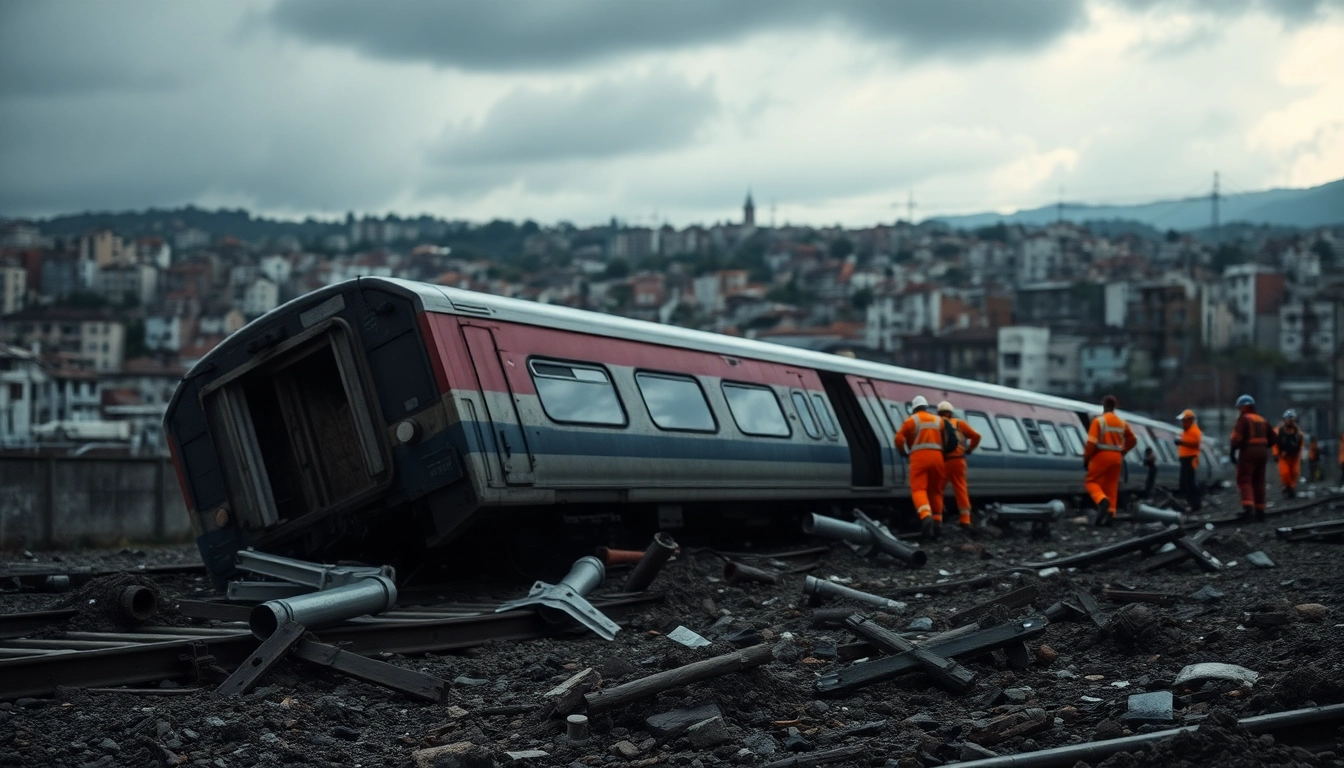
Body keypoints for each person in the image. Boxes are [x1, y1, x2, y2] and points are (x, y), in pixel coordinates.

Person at [895, 395, 946, 539]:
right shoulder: (939, 420)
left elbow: (898, 439)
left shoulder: (912, 420)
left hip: (919, 457)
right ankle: (937, 522)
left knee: (919, 489)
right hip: (938, 457)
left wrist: (903, 452)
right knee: (936, 491)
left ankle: (926, 516)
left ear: (914, 408)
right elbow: (949, 438)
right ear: (926, 407)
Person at [1083, 394, 1137, 526]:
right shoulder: (1122, 423)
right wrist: (1123, 450)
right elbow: (1133, 440)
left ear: (1103, 404)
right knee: (1111, 485)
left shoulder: (1098, 421)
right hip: (1117, 457)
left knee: (1091, 482)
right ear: (1115, 406)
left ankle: (1102, 500)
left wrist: (1087, 458)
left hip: (1101, 455)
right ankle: (1110, 514)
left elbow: (1091, 442)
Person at [935, 400, 981, 530]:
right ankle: (965, 519)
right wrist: (969, 449)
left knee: (937, 489)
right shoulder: (960, 424)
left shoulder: (937, 424)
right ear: (951, 412)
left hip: (945, 461)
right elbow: (976, 436)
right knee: (961, 489)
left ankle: (937, 518)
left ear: (939, 413)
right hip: (959, 461)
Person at [1229, 394, 1275, 521]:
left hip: (1248, 452)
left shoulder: (1244, 419)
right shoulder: (1262, 420)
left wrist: (1233, 451)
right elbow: (1273, 438)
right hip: (1263, 453)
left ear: (1243, 407)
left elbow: (1236, 438)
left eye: (1240, 408)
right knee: (1259, 481)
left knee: (1244, 480)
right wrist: (1263, 446)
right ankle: (1260, 510)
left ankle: (1248, 509)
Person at [1174, 409, 1203, 512]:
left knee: (1190, 482)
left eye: (1184, 420)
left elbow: (1195, 444)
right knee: (1185, 482)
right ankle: (1190, 502)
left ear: (1189, 420)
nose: (1183, 423)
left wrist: (1181, 442)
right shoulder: (1185, 431)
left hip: (1191, 458)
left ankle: (1195, 504)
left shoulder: (1195, 431)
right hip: (1185, 458)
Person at [1273, 410, 1303, 500]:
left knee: (1295, 473)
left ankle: (1291, 488)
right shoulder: (1279, 431)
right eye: (1288, 419)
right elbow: (1275, 443)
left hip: (1294, 457)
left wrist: (1300, 454)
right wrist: (1275, 453)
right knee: (1285, 473)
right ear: (1284, 420)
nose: (1289, 421)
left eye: (1291, 419)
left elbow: (1301, 444)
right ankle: (1286, 486)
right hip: (1283, 457)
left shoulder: (1298, 433)